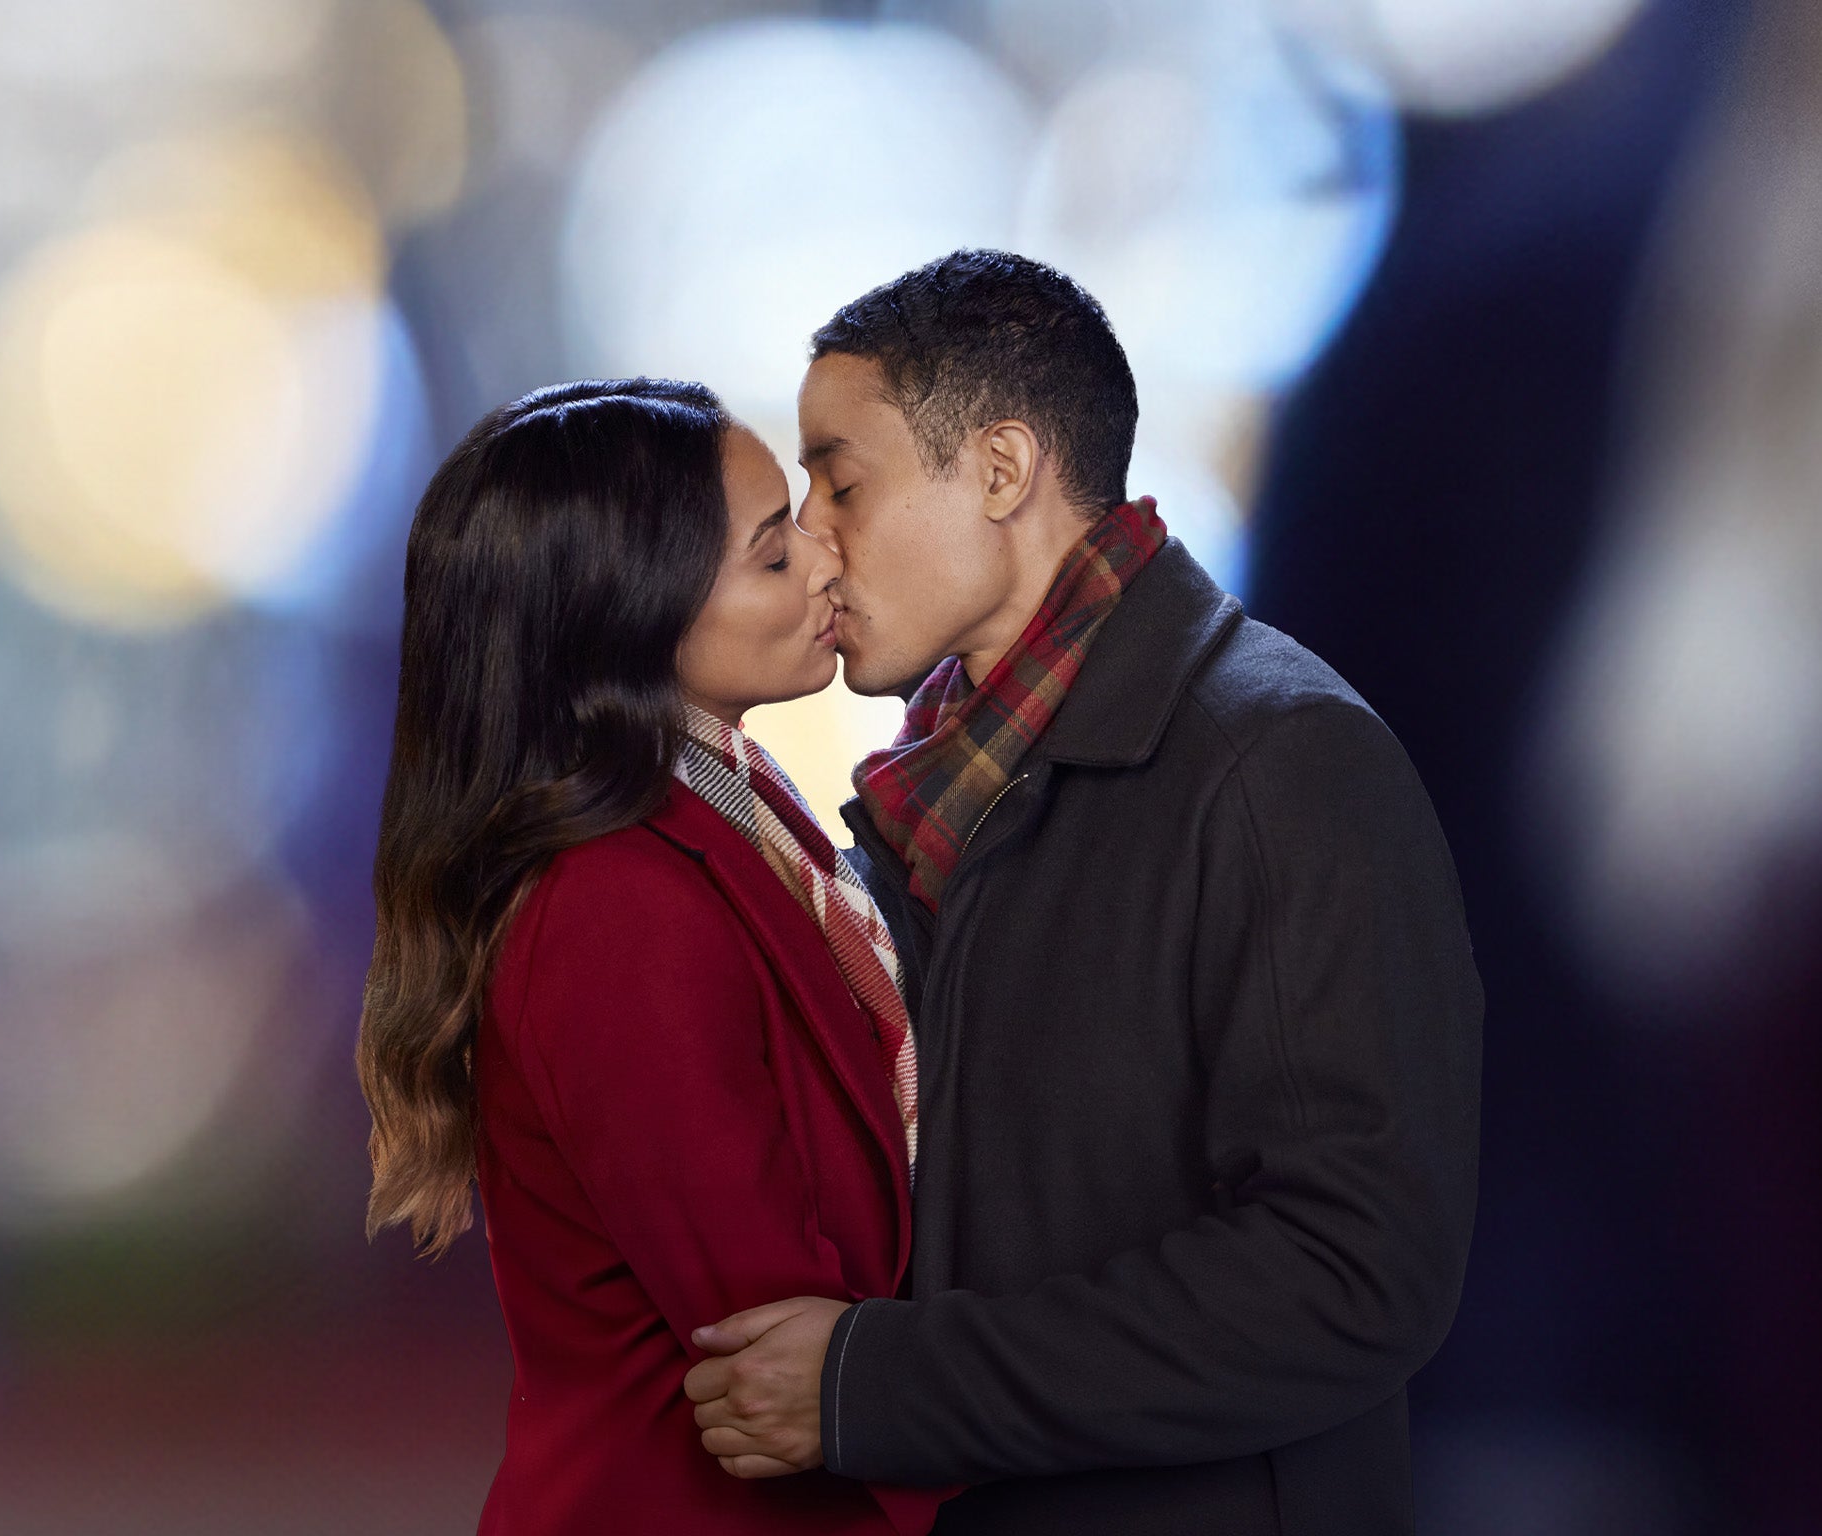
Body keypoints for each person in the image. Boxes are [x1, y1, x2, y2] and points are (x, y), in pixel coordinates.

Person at [682, 250, 1484, 1534]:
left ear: (1000, 470)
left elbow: (1347, 1271)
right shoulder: (930, 799)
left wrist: (878, 1384)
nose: (811, 537)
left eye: (840, 481)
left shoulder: (1274, 763)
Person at [358, 379, 956, 1535]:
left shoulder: (730, 800)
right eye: (772, 555)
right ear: (629, 613)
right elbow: (766, 1322)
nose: (826, 562)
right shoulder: (610, 907)